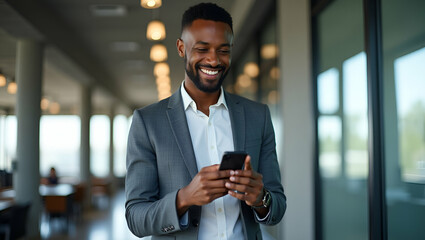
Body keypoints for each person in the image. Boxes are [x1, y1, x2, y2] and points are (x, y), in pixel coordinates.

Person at [125, 3, 286, 240]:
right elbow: (136, 218)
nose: (213, 60)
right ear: (181, 48)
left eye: (223, 50)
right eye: (202, 49)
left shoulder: (257, 116)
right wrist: (185, 198)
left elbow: (278, 207)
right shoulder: (147, 122)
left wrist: (260, 198)